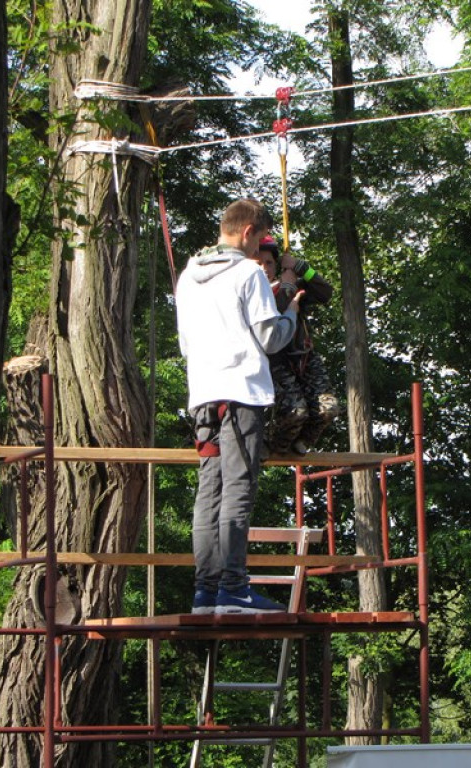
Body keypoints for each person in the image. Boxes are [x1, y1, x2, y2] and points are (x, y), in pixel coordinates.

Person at [175, 199, 304, 615]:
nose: (258, 252)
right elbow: (269, 339)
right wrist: (290, 314)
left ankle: (206, 592)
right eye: (258, 242)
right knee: (238, 489)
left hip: (203, 396)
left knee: (208, 490)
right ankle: (233, 589)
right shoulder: (248, 272)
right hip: (241, 393)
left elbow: (185, 344)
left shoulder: (188, 277)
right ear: (248, 232)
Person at [251, 236, 340, 455]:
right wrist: (287, 288)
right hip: (276, 363)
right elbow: (279, 308)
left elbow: (325, 292)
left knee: (329, 408)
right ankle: (276, 445)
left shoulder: (291, 285)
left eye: (269, 263)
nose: (264, 268)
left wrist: (301, 268)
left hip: (304, 357)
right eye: (258, 264)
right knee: (295, 411)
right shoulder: (253, 293)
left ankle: (301, 442)